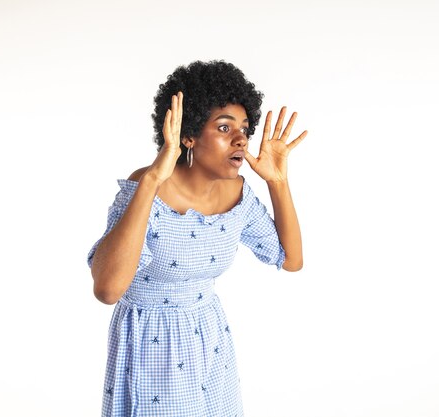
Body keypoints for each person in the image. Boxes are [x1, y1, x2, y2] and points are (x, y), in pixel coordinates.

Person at [87, 60, 306, 417]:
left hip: (211, 342)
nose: (240, 139)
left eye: (244, 130)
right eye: (224, 127)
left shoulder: (236, 193)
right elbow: (107, 290)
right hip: (153, 346)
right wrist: (153, 180)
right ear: (188, 135)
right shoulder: (147, 187)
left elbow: (291, 259)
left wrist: (277, 183)